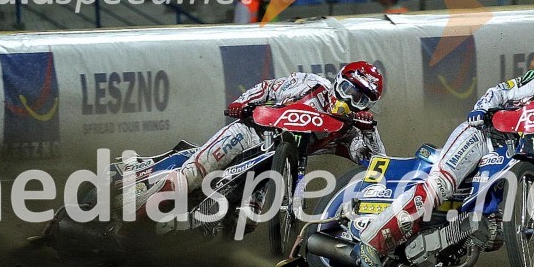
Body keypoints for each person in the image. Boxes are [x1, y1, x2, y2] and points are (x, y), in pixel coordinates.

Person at [354, 51, 534, 267]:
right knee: (439, 186)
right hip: (485, 135)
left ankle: (439, 244)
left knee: (495, 233)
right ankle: (370, 244)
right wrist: (481, 109)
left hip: (518, 163)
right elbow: (504, 90)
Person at [133, 62, 386, 211]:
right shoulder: (310, 84)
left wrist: (369, 130)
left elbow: (377, 163)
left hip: (274, 163)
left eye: (359, 99)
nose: (348, 100)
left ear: (367, 106)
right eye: (347, 90)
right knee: (188, 178)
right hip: (249, 133)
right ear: (337, 81)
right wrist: (242, 103)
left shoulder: (350, 130)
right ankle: (131, 224)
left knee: (250, 218)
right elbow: (268, 88)